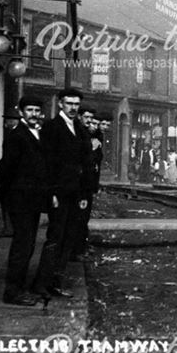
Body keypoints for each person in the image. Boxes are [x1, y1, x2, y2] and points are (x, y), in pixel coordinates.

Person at [32, 87, 90, 300]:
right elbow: (47, 164)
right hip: (59, 193)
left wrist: (84, 194)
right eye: (69, 103)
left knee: (68, 238)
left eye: (76, 104)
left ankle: (56, 281)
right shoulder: (51, 128)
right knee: (55, 238)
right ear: (60, 104)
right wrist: (52, 193)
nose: (73, 108)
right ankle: (41, 284)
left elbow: (85, 162)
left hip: (75, 193)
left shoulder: (79, 128)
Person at [0, 95, 47, 306]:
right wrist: (6, 198)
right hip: (20, 199)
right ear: (21, 112)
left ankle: (20, 287)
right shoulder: (18, 136)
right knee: (22, 246)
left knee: (27, 245)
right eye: (29, 110)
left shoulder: (36, 133)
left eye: (36, 110)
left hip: (31, 199)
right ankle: (13, 291)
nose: (33, 114)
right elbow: (6, 170)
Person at [72, 106, 103, 261]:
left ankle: (81, 247)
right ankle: (77, 250)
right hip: (80, 185)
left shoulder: (88, 134)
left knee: (83, 218)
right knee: (79, 218)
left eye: (93, 120)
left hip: (87, 185)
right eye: (87, 118)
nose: (91, 123)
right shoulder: (79, 133)